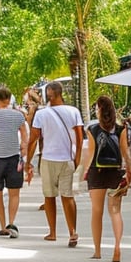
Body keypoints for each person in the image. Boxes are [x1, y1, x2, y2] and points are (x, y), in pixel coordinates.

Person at [26, 81, 84, 247]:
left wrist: (27, 162)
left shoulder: (41, 114)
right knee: (68, 196)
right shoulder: (74, 111)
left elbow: (33, 139)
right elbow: (80, 138)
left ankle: (53, 232)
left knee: (49, 195)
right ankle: (72, 231)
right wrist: (77, 157)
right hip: (67, 159)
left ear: (49, 94)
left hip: (48, 159)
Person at [84, 95, 131, 262]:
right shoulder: (121, 129)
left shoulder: (92, 129)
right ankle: (117, 247)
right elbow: (125, 152)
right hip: (116, 172)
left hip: (97, 171)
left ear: (99, 110)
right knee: (115, 211)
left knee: (96, 212)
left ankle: (97, 251)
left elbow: (91, 154)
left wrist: (84, 172)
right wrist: (130, 171)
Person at [0, 86, 30, 238]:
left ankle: (2, 225)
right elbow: (24, 133)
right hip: (14, 158)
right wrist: (24, 147)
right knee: (14, 193)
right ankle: (12, 222)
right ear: (9, 99)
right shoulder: (18, 115)